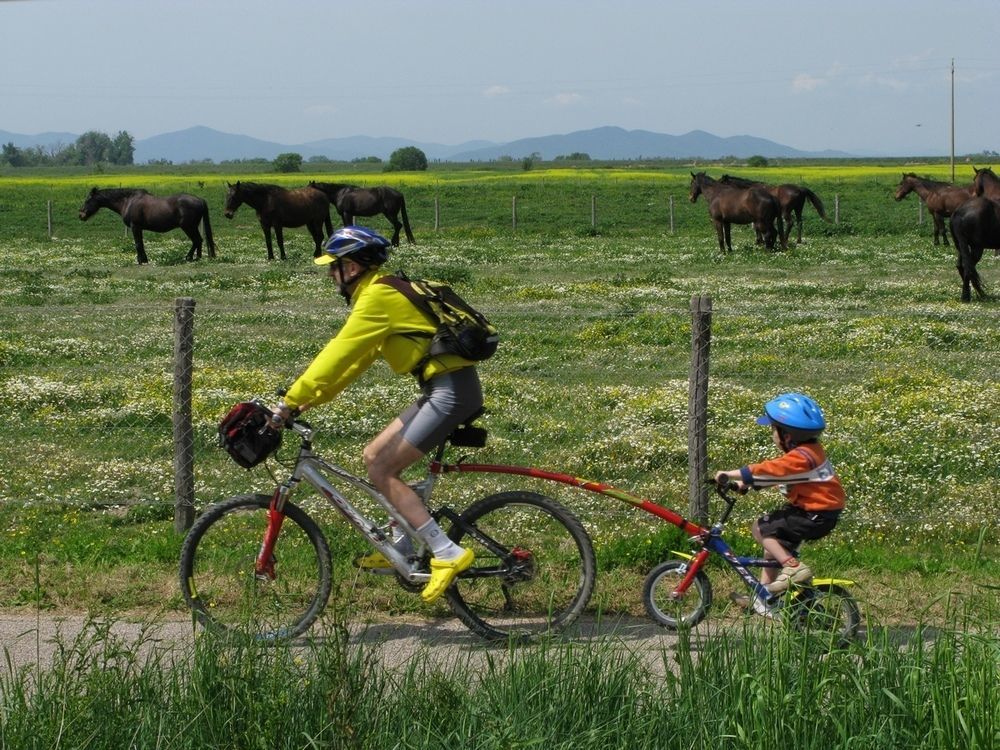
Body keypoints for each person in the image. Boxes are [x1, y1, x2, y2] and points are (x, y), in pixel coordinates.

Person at [270, 226, 483, 604]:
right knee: (373, 456)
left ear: (350, 267)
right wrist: (306, 401)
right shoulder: (383, 292)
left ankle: (447, 552)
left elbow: (338, 353)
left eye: (333, 268)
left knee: (383, 469)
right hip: (444, 388)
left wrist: (289, 400)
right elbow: (356, 362)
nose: (330, 276)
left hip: (450, 392)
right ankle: (403, 542)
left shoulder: (377, 299)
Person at [714, 392, 845, 614]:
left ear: (788, 434)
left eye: (774, 429)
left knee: (760, 527)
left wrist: (732, 474)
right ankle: (763, 596)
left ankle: (794, 568)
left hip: (815, 515)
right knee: (773, 550)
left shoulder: (803, 457)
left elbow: (771, 470)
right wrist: (743, 485)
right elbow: (781, 476)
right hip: (816, 513)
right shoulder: (806, 454)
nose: (772, 435)